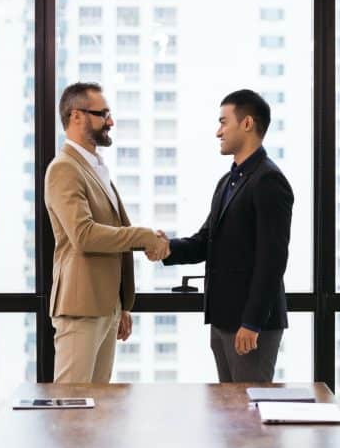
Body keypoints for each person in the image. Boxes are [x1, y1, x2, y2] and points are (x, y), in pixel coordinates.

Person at [153, 89, 293, 382]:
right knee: (230, 414)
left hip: (251, 325)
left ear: (247, 124)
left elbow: (273, 259)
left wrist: (252, 322)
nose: (218, 132)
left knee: (248, 417)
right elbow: (207, 240)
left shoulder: (269, 180)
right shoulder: (228, 181)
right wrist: (167, 248)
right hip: (223, 320)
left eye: (223, 122)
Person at [45, 82, 169, 383]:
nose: (110, 122)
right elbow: (84, 235)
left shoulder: (95, 168)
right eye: (103, 114)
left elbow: (111, 232)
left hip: (104, 307)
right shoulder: (64, 169)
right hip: (80, 308)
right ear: (76, 116)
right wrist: (143, 236)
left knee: (97, 409)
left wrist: (119, 305)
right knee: (71, 410)